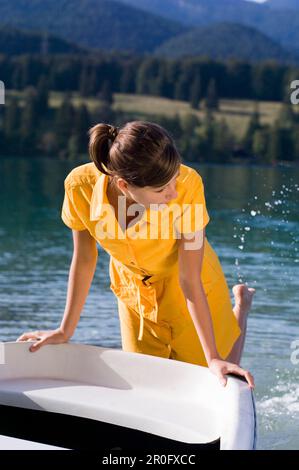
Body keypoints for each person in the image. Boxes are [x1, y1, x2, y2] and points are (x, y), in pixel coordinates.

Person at [17, 121, 255, 388]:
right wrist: (65, 330)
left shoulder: (189, 185)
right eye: (161, 190)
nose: (173, 192)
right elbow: (84, 260)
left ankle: (241, 307)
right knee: (147, 383)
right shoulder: (79, 187)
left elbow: (190, 278)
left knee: (216, 374)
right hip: (134, 292)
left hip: (189, 281)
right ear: (124, 185)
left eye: (174, 179)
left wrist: (212, 357)